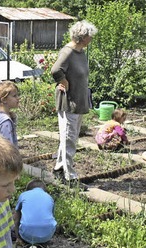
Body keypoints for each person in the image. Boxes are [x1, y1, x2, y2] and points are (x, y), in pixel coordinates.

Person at [51, 20, 98, 187]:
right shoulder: (68, 52)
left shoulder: (80, 52)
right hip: (68, 101)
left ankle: (58, 169)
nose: (91, 39)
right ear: (83, 37)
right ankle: (69, 177)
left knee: (70, 138)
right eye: (90, 36)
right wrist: (63, 81)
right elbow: (56, 70)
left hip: (78, 100)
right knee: (69, 138)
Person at [14, 179, 56, 248]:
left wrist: (18, 237)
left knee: (18, 214)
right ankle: (42, 246)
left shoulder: (24, 195)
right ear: (44, 189)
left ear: (28, 189)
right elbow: (52, 217)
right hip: (46, 235)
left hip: (26, 234)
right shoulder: (50, 197)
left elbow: (17, 218)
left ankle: (26, 244)